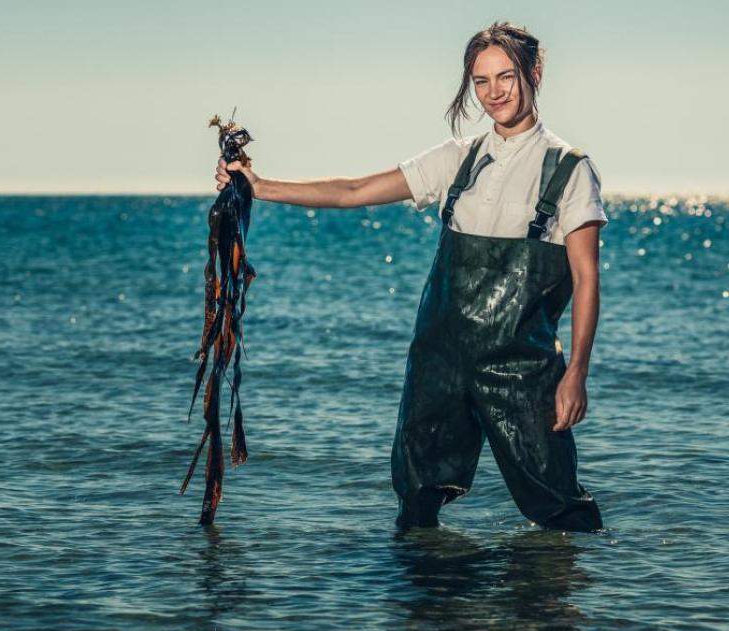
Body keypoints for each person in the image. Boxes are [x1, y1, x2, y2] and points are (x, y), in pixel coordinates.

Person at [213, 21, 606, 532]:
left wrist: (576, 372)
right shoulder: (460, 158)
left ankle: (575, 603)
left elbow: (586, 278)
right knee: (417, 500)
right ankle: (428, 605)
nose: (494, 93)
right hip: (438, 361)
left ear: (535, 72)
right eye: (481, 81)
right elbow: (354, 190)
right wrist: (259, 186)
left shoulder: (569, 168)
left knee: (559, 504)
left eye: (506, 77)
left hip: (521, 370)